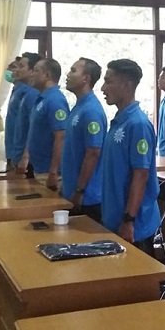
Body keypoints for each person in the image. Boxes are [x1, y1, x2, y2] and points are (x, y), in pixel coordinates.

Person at [100, 59, 159, 255]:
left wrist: (129, 220)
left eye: (108, 81)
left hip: (134, 226)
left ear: (126, 85)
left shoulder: (138, 124)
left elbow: (141, 175)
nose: (103, 88)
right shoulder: (119, 121)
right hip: (114, 217)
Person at [62, 58, 107, 222]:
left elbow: (93, 153)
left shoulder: (91, 110)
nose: (68, 74)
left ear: (85, 79)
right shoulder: (79, 106)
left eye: (73, 70)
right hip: (72, 189)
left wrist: (80, 190)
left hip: (87, 197)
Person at [16, 58, 69, 190]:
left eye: (36, 71)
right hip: (39, 169)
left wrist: (53, 172)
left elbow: (61, 137)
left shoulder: (55, 100)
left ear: (46, 75)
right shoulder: (41, 99)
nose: (32, 74)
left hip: (49, 172)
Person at [13, 52, 41, 178]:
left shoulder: (33, 94)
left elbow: (33, 128)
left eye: (21, 66)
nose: (17, 70)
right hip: (17, 153)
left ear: (31, 71)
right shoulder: (22, 92)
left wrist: (25, 157)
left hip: (27, 159)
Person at [4, 55, 29, 169]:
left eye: (19, 67)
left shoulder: (26, 91)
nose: (10, 73)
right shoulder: (16, 89)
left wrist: (24, 156)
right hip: (12, 148)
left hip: (19, 150)